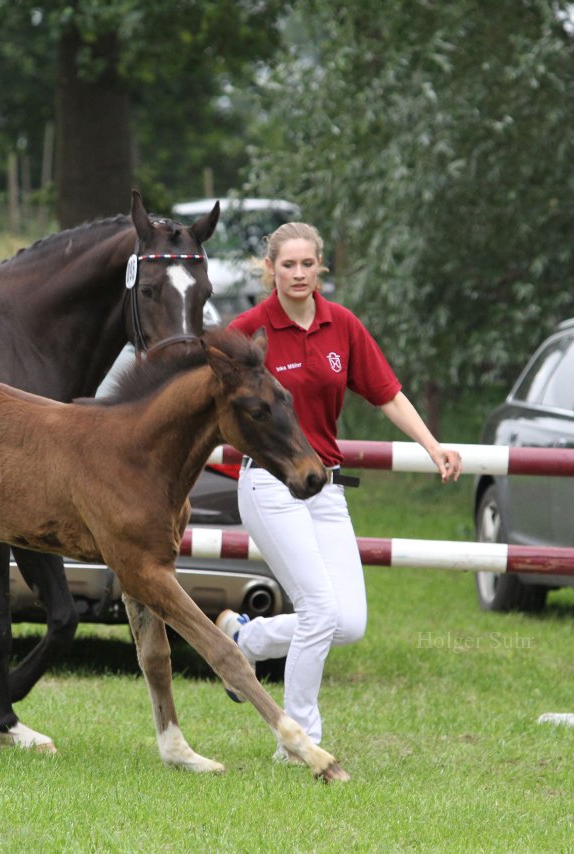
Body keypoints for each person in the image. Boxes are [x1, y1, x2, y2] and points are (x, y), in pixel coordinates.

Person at [218, 221, 463, 763]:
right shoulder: (249, 330)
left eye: (308, 264)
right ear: (270, 269)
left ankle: (245, 641)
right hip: (269, 483)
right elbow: (205, 400)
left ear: (320, 268)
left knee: (347, 624)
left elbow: (387, 393)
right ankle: (300, 739)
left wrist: (432, 444)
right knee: (319, 609)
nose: (299, 274)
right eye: (288, 265)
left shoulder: (341, 326)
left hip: (324, 487)